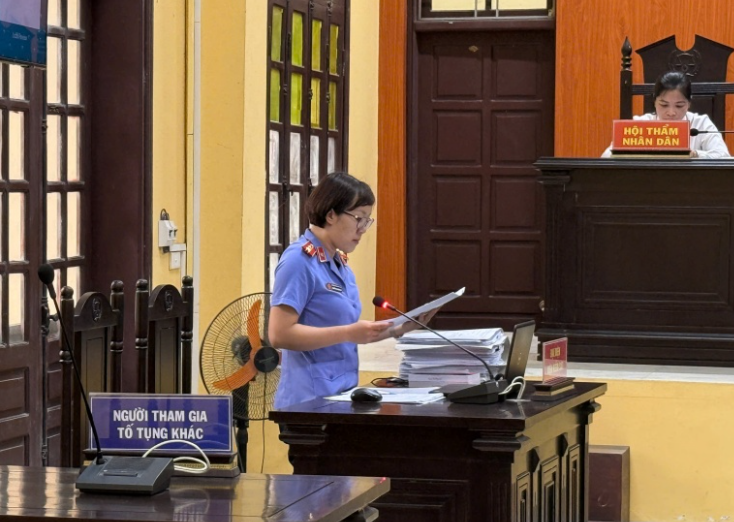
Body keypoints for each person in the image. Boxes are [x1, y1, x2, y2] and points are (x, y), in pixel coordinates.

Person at [268, 172, 436, 409]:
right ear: (331, 215)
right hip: (308, 402)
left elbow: (353, 333)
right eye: (359, 218)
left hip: (342, 395)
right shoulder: (299, 261)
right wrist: (348, 333)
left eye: (367, 221)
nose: (363, 229)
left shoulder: (339, 264)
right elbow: (280, 334)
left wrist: (402, 328)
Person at [602, 70, 731, 158]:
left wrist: (696, 155)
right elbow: (606, 157)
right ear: (654, 101)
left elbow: (724, 157)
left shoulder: (700, 124)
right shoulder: (639, 125)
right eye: (664, 105)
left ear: (689, 103)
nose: (671, 113)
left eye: (679, 105)